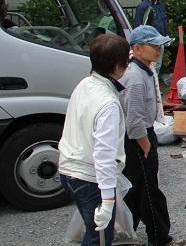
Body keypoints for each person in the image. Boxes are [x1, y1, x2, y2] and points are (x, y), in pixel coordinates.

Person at [58, 34, 130, 246]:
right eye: (126, 61)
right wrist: (108, 201)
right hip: (90, 178)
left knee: (93, 232)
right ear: (118, 66)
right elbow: (104, 154)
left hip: (68, 168)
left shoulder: (85, 84)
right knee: (98, 237)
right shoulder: (108, 103)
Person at [119, 26, 185, 246]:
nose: (158, 49)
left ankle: (123, 234)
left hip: (142, 135)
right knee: (149, 192)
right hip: (138, 138)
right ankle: (159, 238)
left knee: (137, 189)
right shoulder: (135, 76)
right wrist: (145, 143)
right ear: (137, 48)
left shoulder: (144, 69)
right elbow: (134, 119)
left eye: (160, 45)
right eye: (153, 46)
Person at [134, 0, 168, 74]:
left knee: (158, 63)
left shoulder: (160, 5)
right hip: (149, 40)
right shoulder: (143, 6)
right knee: (151, 63)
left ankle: (155, 81)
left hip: (161, 38)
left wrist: (166, 35)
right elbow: (138, 24)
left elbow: (163, 21)